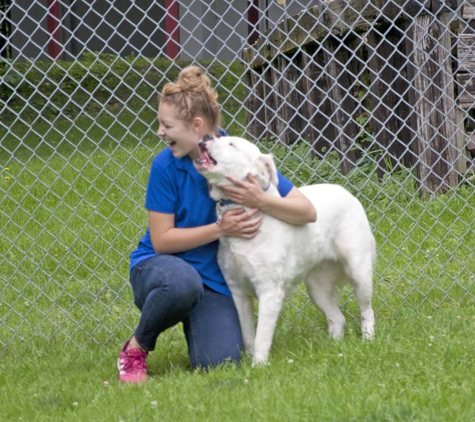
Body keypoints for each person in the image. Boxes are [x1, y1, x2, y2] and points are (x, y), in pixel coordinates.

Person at [118, 65, 317, 383]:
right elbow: (162, 240)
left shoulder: (236, 154)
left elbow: (306, 211)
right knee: (182, 284)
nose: (160, 132)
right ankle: (136, 348)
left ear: (196, 125)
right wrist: (221, 229)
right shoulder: (166, 165)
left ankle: (198, 318)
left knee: (220, 361)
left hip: (213, 279)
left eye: (167, 125)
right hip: (162, 268)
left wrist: (260, 200)